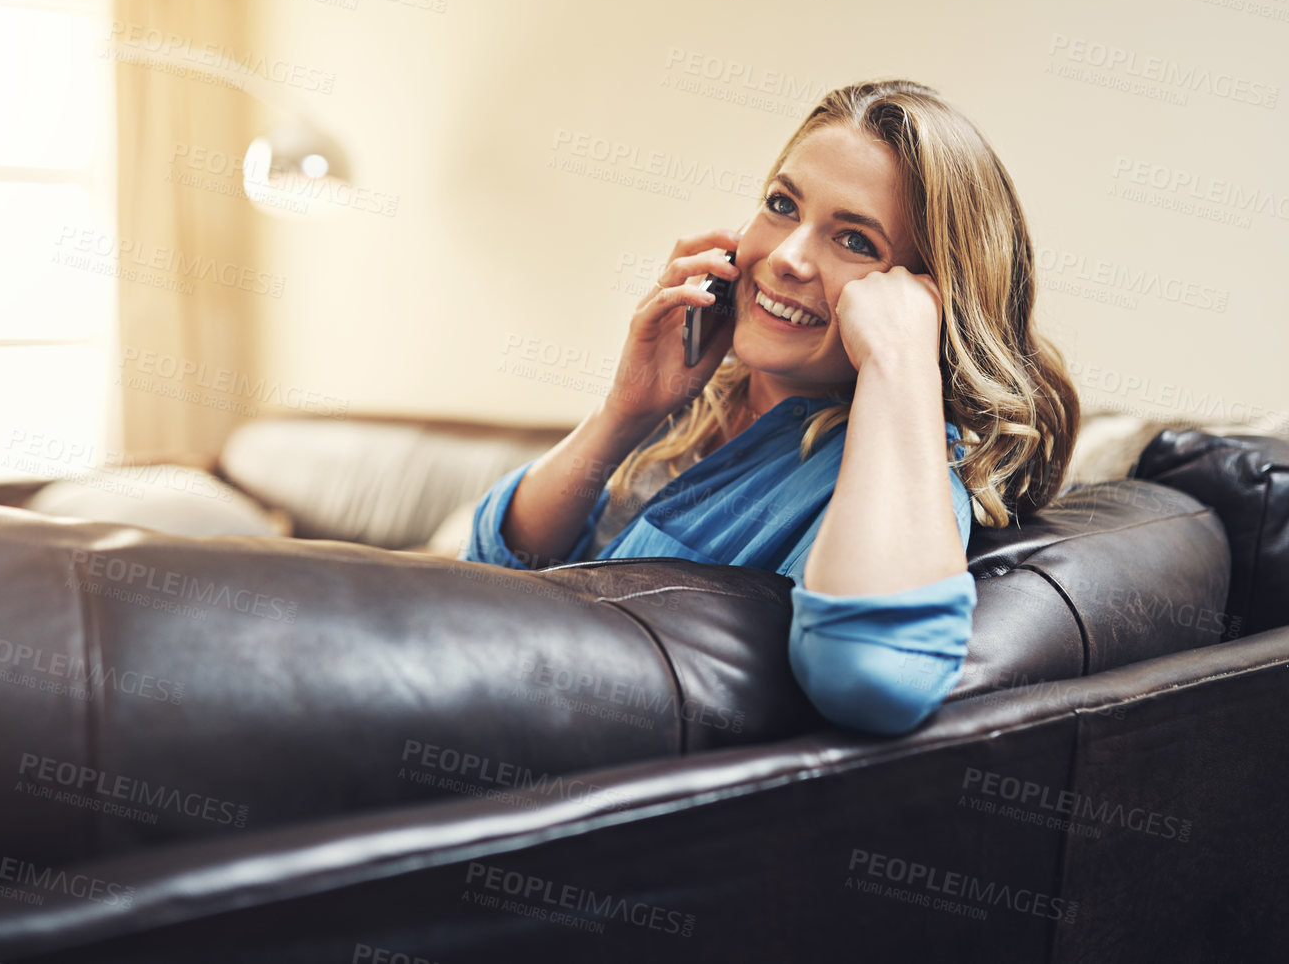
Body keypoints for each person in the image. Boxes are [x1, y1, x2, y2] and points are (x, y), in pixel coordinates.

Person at [461, 79, 1078, 735]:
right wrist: (625, 412)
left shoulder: (902, 466)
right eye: (781, 204)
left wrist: (899, 363)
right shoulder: (691, 407)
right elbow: (490, 571)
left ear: (918, 298)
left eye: (855, 241)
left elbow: (874, 675)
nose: (785, 257)